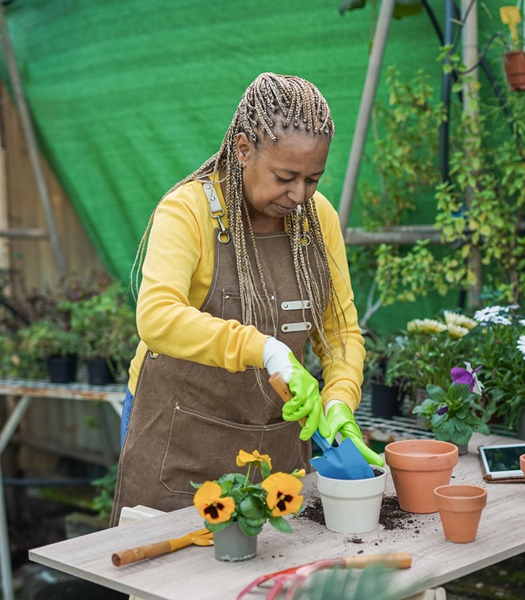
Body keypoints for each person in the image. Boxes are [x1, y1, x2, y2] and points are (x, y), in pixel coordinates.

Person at [111, 72, 382, 523]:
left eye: (313, 178)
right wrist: (266, 349)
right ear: (243, 149)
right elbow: (156, 318)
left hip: (273, 440)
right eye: (285, 176)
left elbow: (341, 332)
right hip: (180, 441)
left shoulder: (319, 220)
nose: (299, 194)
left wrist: (339, 400)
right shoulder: (188, 210)